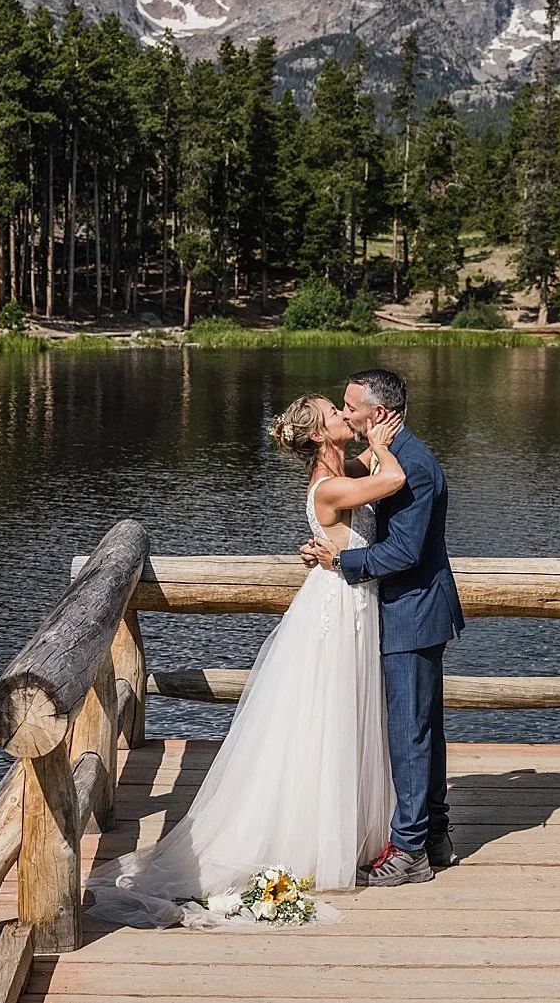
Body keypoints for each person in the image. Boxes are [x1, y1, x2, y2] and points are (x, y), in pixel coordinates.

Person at [85, 395, 403, 928]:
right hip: (336, 610)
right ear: (321, 435)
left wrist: (372, 444)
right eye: (335, 413)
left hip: (347, 603)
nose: (345, 417)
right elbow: (390, 480)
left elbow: (370, 473)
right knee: (326, 717)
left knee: (343, 717)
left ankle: (346, 831)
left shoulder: (340, 471)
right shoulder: (329, 487)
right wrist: (380, 443)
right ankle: (315, 839)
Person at [303, 368, 464, 886]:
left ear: (379, 413)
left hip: (412, 612)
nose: (346, 414)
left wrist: (339, 563)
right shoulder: (393, 453)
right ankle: (434, 835)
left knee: (410, 733)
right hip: (404, 609)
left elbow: (403, 551)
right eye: (341, 409)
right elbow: (340, 481)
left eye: (352, 408)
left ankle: (411, 852)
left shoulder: (413, 466)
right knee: (421, 729)